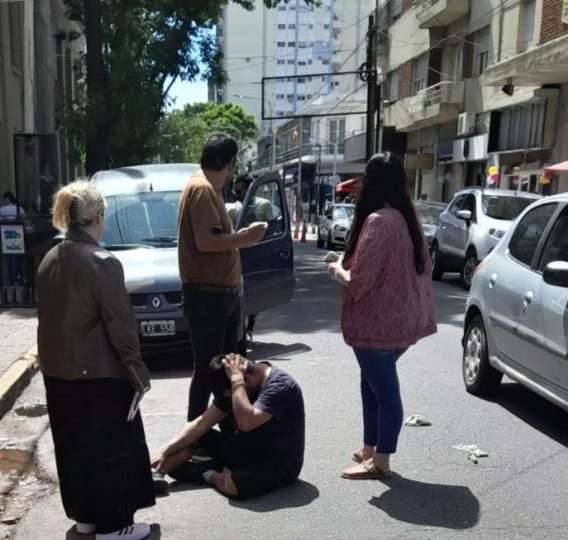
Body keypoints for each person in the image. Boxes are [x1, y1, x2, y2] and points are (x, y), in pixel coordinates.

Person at [36, 180, 156, 540]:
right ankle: (112, 524)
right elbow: (121, 327)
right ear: (98, 217)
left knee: (73, 446)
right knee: (111, 448)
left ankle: (87, 516)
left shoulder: (49, 258)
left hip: (58, 372)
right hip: (100, 373)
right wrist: (137, 373)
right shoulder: (102, 261)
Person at [326, 153, 437, 480]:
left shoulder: (378, 221)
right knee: (371, 384)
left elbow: (359, 281)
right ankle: (370, 448)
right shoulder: (406, 217)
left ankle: (381, 461)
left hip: (377, 326)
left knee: (386, 393)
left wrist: (336, 269)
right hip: (401, 323)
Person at [178, 133, 267, 426]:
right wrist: (244, 238)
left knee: (229, 368)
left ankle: (228, 430)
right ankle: (194, 440)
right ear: (229, 164)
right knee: (209, 370)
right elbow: (205, 241)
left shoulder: (204, 188)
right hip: (208, 296)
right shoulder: (202, 189)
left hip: (218, 295)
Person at [152, 354, 304, 499]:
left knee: (236, 485)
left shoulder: (280, 387)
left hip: (277, 463)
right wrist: (166, 449)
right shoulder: (234, 383)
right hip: (245, 449)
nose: (229, 399)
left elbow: (246, 422)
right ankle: (155, 475)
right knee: (194, 437)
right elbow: (201, 424)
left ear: (245, 379)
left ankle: (209, 473)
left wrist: (237, 381)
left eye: (232, 393)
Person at [0, 191, 26, 285]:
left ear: (7, 199)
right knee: (19, 257)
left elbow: (0, 220)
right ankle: (21, 277)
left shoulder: (3, 209)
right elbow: (23, 219)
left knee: (10, 257)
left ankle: (12, 279)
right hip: (18, 233)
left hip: (6, 234)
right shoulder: (20, 208)